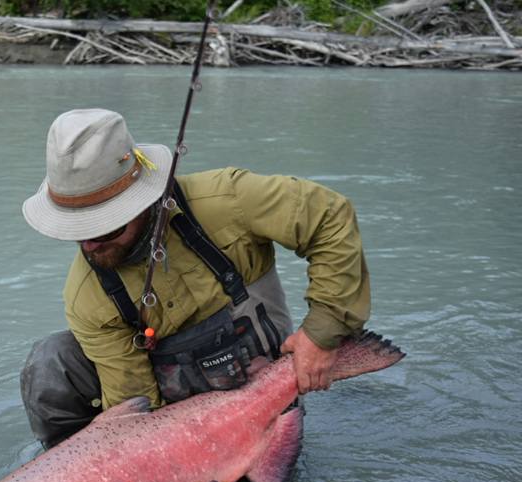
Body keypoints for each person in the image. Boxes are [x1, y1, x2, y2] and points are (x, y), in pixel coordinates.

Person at [20, 108, 370, 449]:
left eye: (107, 227)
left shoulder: (229, 199)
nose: (90, 244)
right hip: (177, 420)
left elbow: (330, 217)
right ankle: (68, 467)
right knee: (53, 358)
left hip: (266, 389)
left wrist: (322, 334)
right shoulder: (87, 295)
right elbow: (134, 403)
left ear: (142, 202)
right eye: (78, 230)